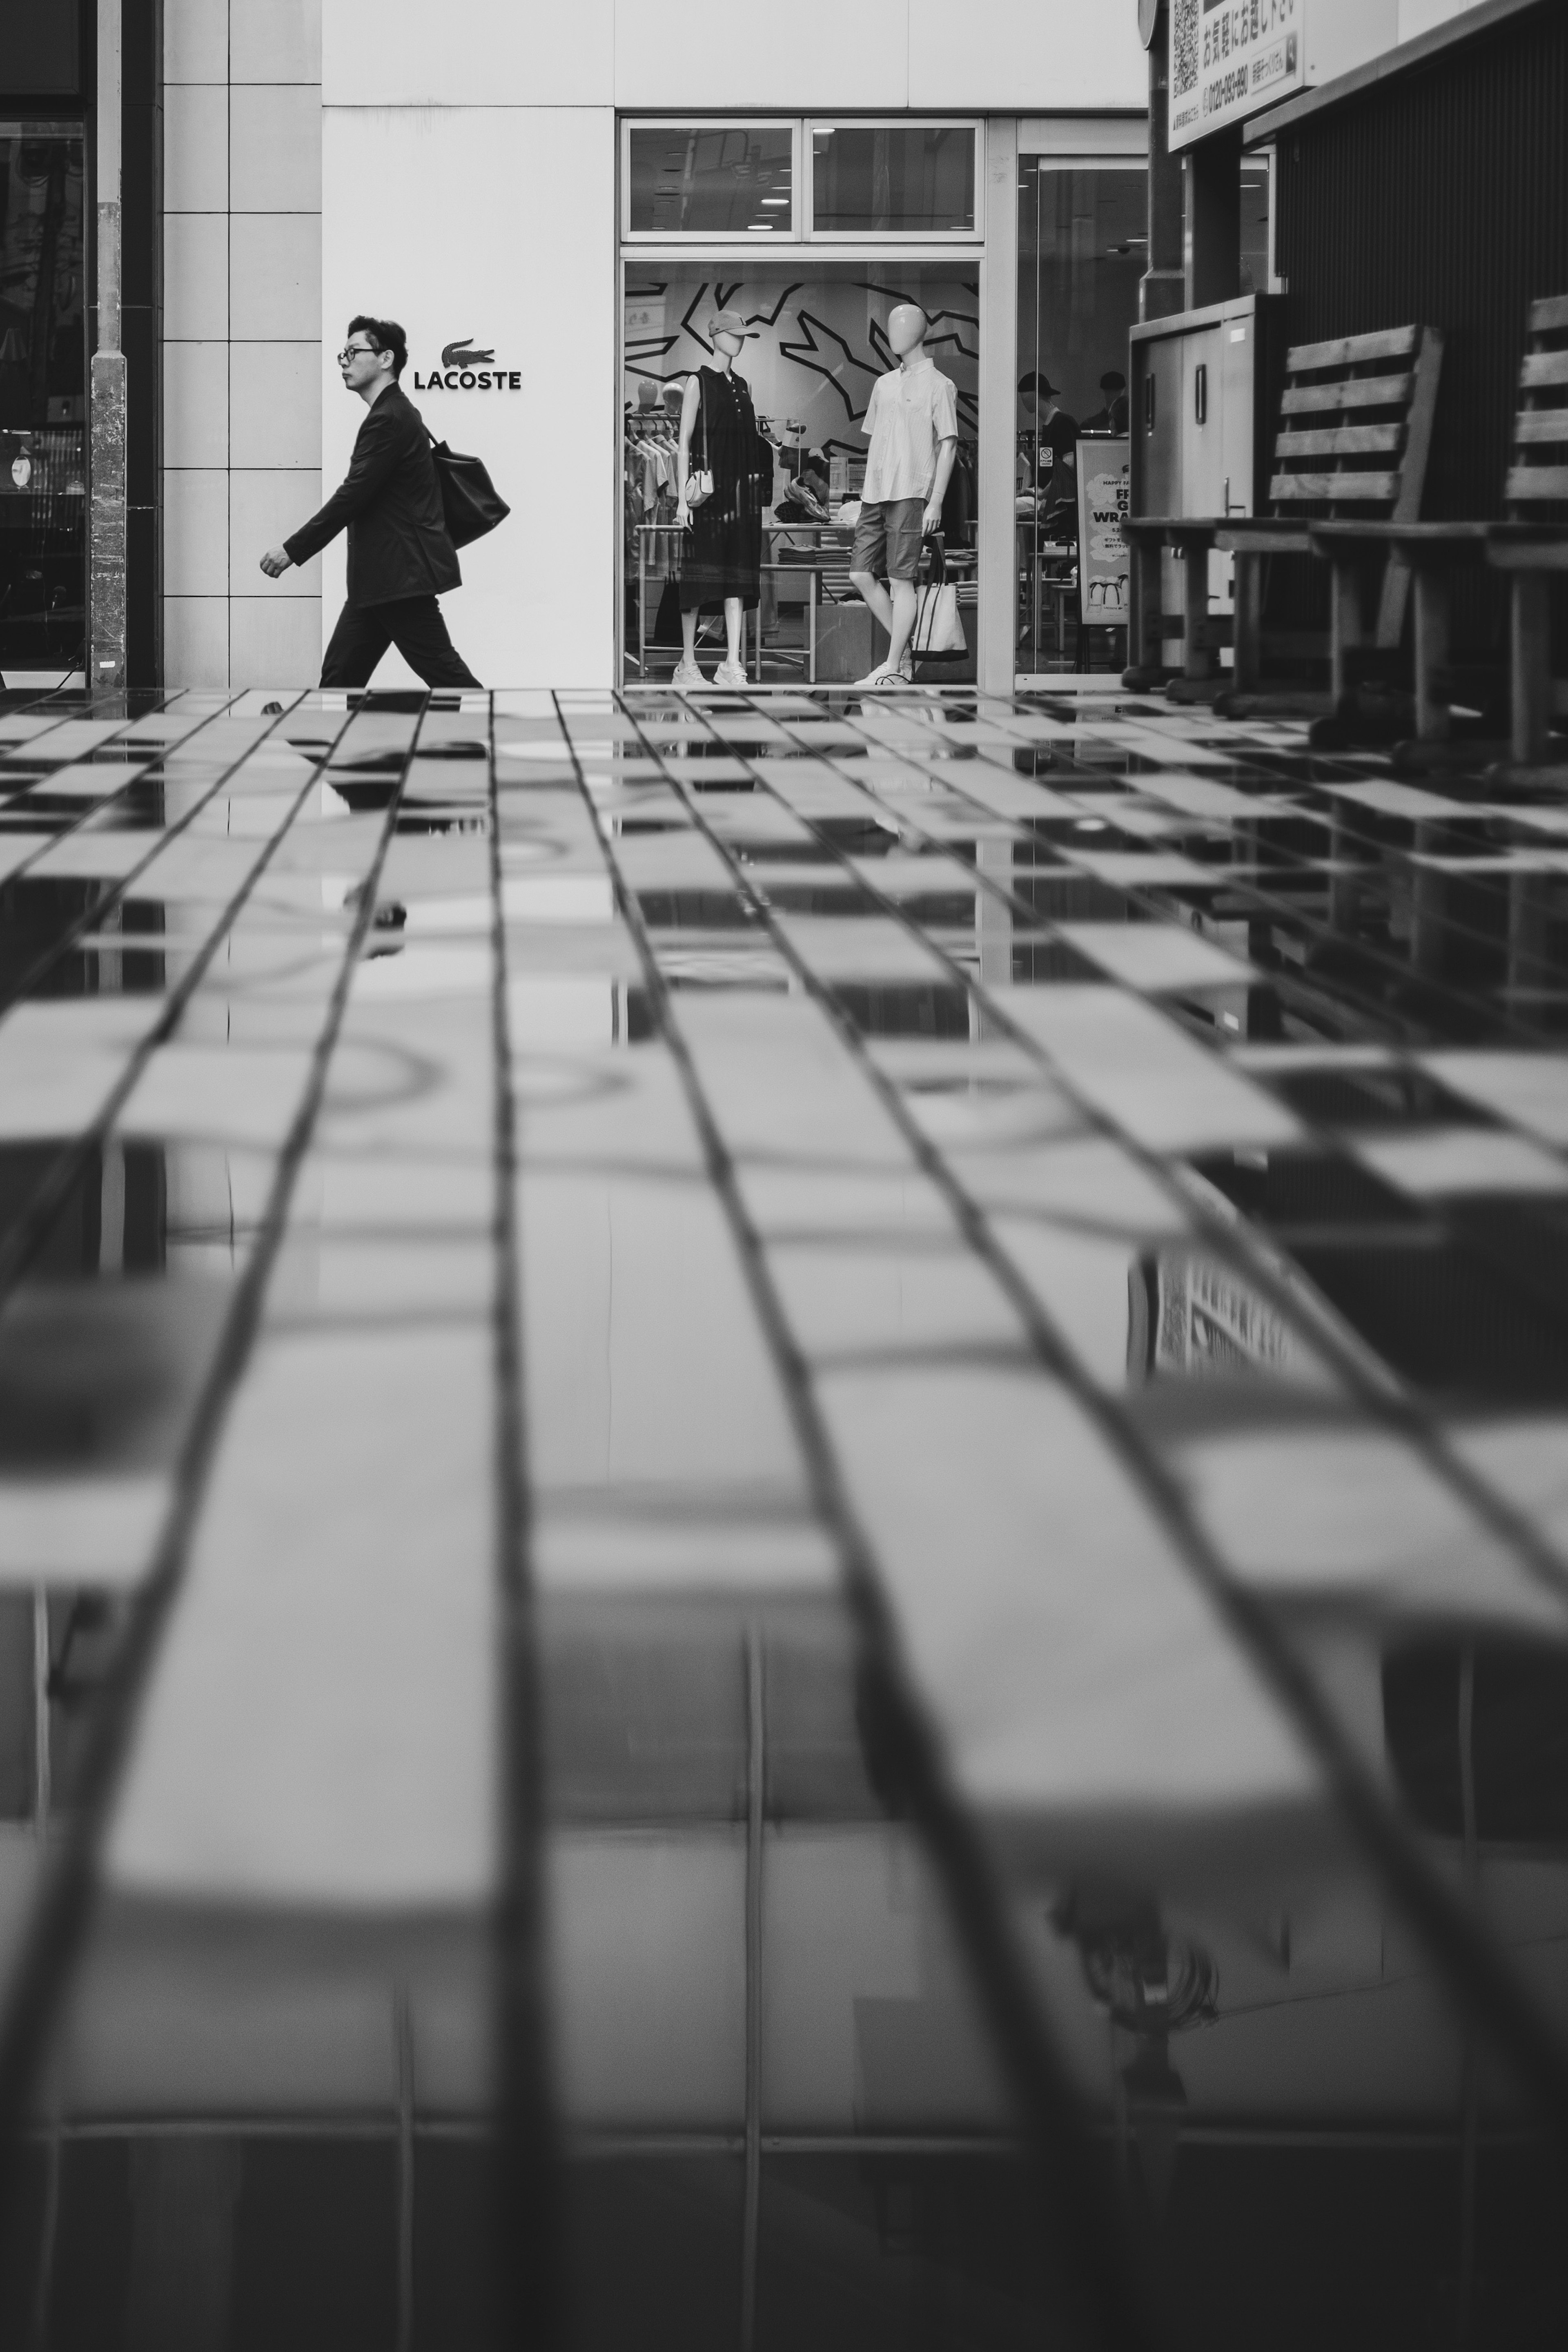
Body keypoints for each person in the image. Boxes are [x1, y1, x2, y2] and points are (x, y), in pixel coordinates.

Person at [259, 315, 480, 689]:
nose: (344, 361)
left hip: (400, 577)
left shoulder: (390, 419)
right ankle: (307, 740)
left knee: (447, 677)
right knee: (339, 678)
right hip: (382, 579)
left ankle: (484, 741)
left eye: (353, 352)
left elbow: (352, 496)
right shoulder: (393, 414)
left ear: (385, 359)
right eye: (341, 354)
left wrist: (292, 550)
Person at [848, 303, 958, 688]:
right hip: (875, 492)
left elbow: (948, 445)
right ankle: (904, 655)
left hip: (912, 492)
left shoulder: (940, 385)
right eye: (892, 325)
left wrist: (937, 499)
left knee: (901, 580)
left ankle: (893, 665)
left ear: (921, 331)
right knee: (861, 573)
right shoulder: (884, 384)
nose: (896, 332)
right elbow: (877, 439)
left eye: (904, 324)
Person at [672, 308, 774, 690]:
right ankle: (687, 662)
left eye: (744, 335)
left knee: (737, 578)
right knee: (698, 579)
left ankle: (732, 663)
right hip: (707, 498)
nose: (740, 341)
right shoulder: (697, 381)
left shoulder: (743, 385)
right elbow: (683, 443)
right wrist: (683, 500)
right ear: (715, 336)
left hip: (739, 501)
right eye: (735, 334)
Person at [1016, 370, 1079, 511]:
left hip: (1052, 501)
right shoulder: (1050, 426)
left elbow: (1069, 466)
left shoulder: (1063, 423)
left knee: (1003, 509)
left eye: (1023, 394)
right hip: (1043, 497)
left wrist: (1043, 493)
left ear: (1032, 394)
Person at [1081, 370, 1129, 434]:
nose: (1114, 395)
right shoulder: (1089, 425)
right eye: (1110, 391)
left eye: (1117, 391)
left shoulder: (1090, 425)